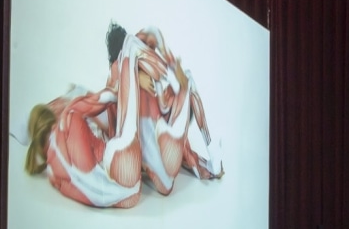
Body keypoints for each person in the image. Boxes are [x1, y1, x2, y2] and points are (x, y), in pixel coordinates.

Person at [24, 23, 222, 208]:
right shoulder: (73, 114)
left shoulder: (52, 174)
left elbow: (110, 117)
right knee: (149, 56)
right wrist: (205, 165)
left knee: (123, 114)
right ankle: (176, 80)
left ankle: (174, 79)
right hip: (147, 178)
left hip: (129, 188)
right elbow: (187, 154)